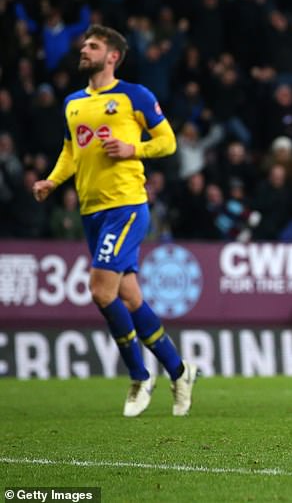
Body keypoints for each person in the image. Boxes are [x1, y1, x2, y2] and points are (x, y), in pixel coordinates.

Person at [31, 24, 197, 417]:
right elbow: (72, 150)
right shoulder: (73, 102)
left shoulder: (133, 95)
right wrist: (53, 182)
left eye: (93, 45)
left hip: (126, 205)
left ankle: (140, 376)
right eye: (84, 44)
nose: (84, 49)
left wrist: (131, 148)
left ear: (112, 57)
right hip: (91, 210)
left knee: (101, 291)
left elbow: (168, 141)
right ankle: (180, 370)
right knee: (130, 297)